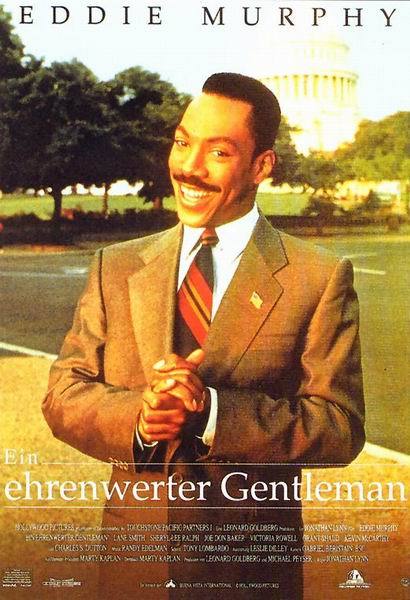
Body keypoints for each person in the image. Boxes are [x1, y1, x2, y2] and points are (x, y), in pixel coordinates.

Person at [43, 73, 365, 599]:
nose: (189, 167)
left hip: (249, 573)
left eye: (218, 152)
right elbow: (63, 394)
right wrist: (142, 418)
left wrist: (213, 413)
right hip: (134, 569)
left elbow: (340, 427)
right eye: (182, 142)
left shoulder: (318, 277)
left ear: (262, 166)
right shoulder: (115, 266)